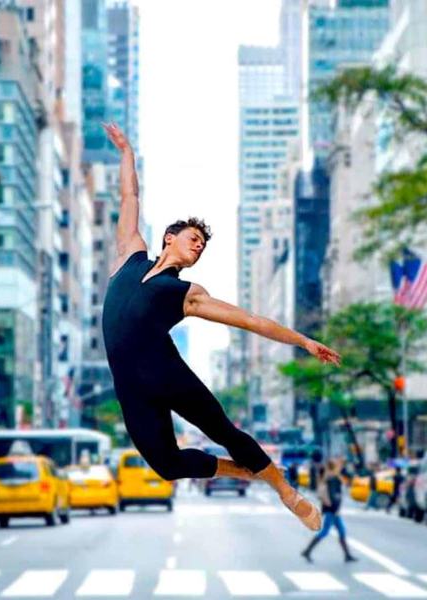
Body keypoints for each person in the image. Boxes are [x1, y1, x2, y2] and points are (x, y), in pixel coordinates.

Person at [100, 122, 342, 532]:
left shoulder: (187, 293)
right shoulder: (129, 254)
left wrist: (303, 341)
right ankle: (247, 471)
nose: (198, 246)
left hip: (168, 375)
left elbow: (251, 320)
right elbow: (130, 197)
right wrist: (127, 153)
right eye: (193, 238)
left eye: (202, 245)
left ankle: (284, 490)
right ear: (169, 237)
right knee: (166, 465)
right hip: (130, 386)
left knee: (225, 431)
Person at [301, 459, 358, 563]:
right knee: (325, 531)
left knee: (341, 531)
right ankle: (307, 551)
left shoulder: (331, 477)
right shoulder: (331, 478)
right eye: (338, 466)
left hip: (333, 510)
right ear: (335, 467)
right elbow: (331, 494)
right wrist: (333, 507)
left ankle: (347, 555)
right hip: (332, 510)